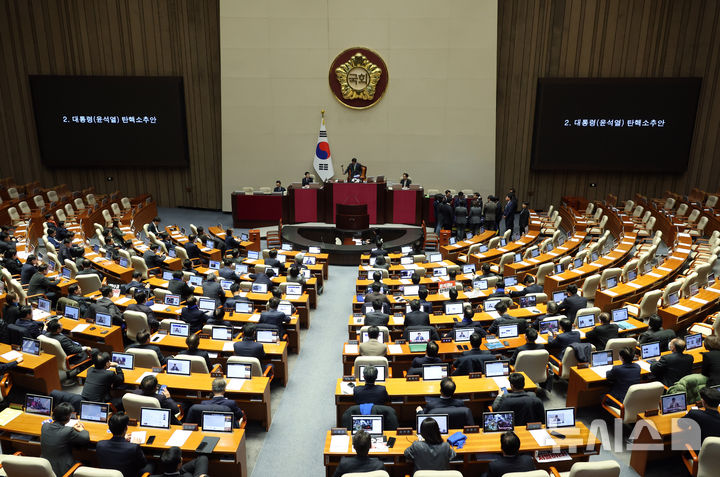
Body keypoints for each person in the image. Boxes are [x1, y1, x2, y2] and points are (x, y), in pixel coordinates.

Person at [40, 402, 90, 476]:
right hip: (63, 471)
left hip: (44, 467)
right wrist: (82, 429)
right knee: (87, 462)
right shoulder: (68, 430)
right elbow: (85, 438)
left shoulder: (45, 426)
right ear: (68, 417)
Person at [96, 412, 153, 477]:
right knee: (151, 464)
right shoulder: (133, 447)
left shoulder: (100, 445)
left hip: (108, 475)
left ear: (110, 428)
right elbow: (143, 464)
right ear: (126, 428)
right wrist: (135, 445)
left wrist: (123, 438)